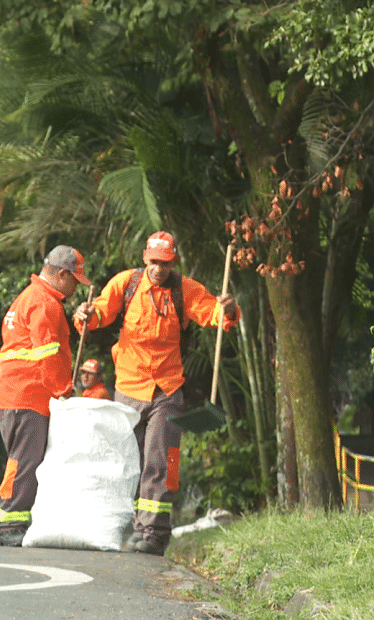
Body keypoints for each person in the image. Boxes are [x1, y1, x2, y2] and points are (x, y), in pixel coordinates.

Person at [75, 231, 239, 556]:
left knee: (162, 460)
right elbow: (99, 314)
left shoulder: (184, 289)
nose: (159, 269)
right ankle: (136, 526)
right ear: (144, 258)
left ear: (173, 262)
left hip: (167, 388)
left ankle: (155, 533)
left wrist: (229, 310)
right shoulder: (126, 283)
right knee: (130, 462)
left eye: (165, 264)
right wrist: (85, 315)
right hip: (128, 389)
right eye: (154, 262)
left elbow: (214, 315)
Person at [0, 245, 92, 547]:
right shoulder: (45, 302)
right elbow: (47, 354)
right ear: (62, 275)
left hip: (15, 393)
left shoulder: (30, 296)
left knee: (22, 459)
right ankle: (10, 524)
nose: (76, 288)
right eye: (75, 281)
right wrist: (64, 390)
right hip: (26, 393)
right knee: (24, 460)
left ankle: (13, 521)